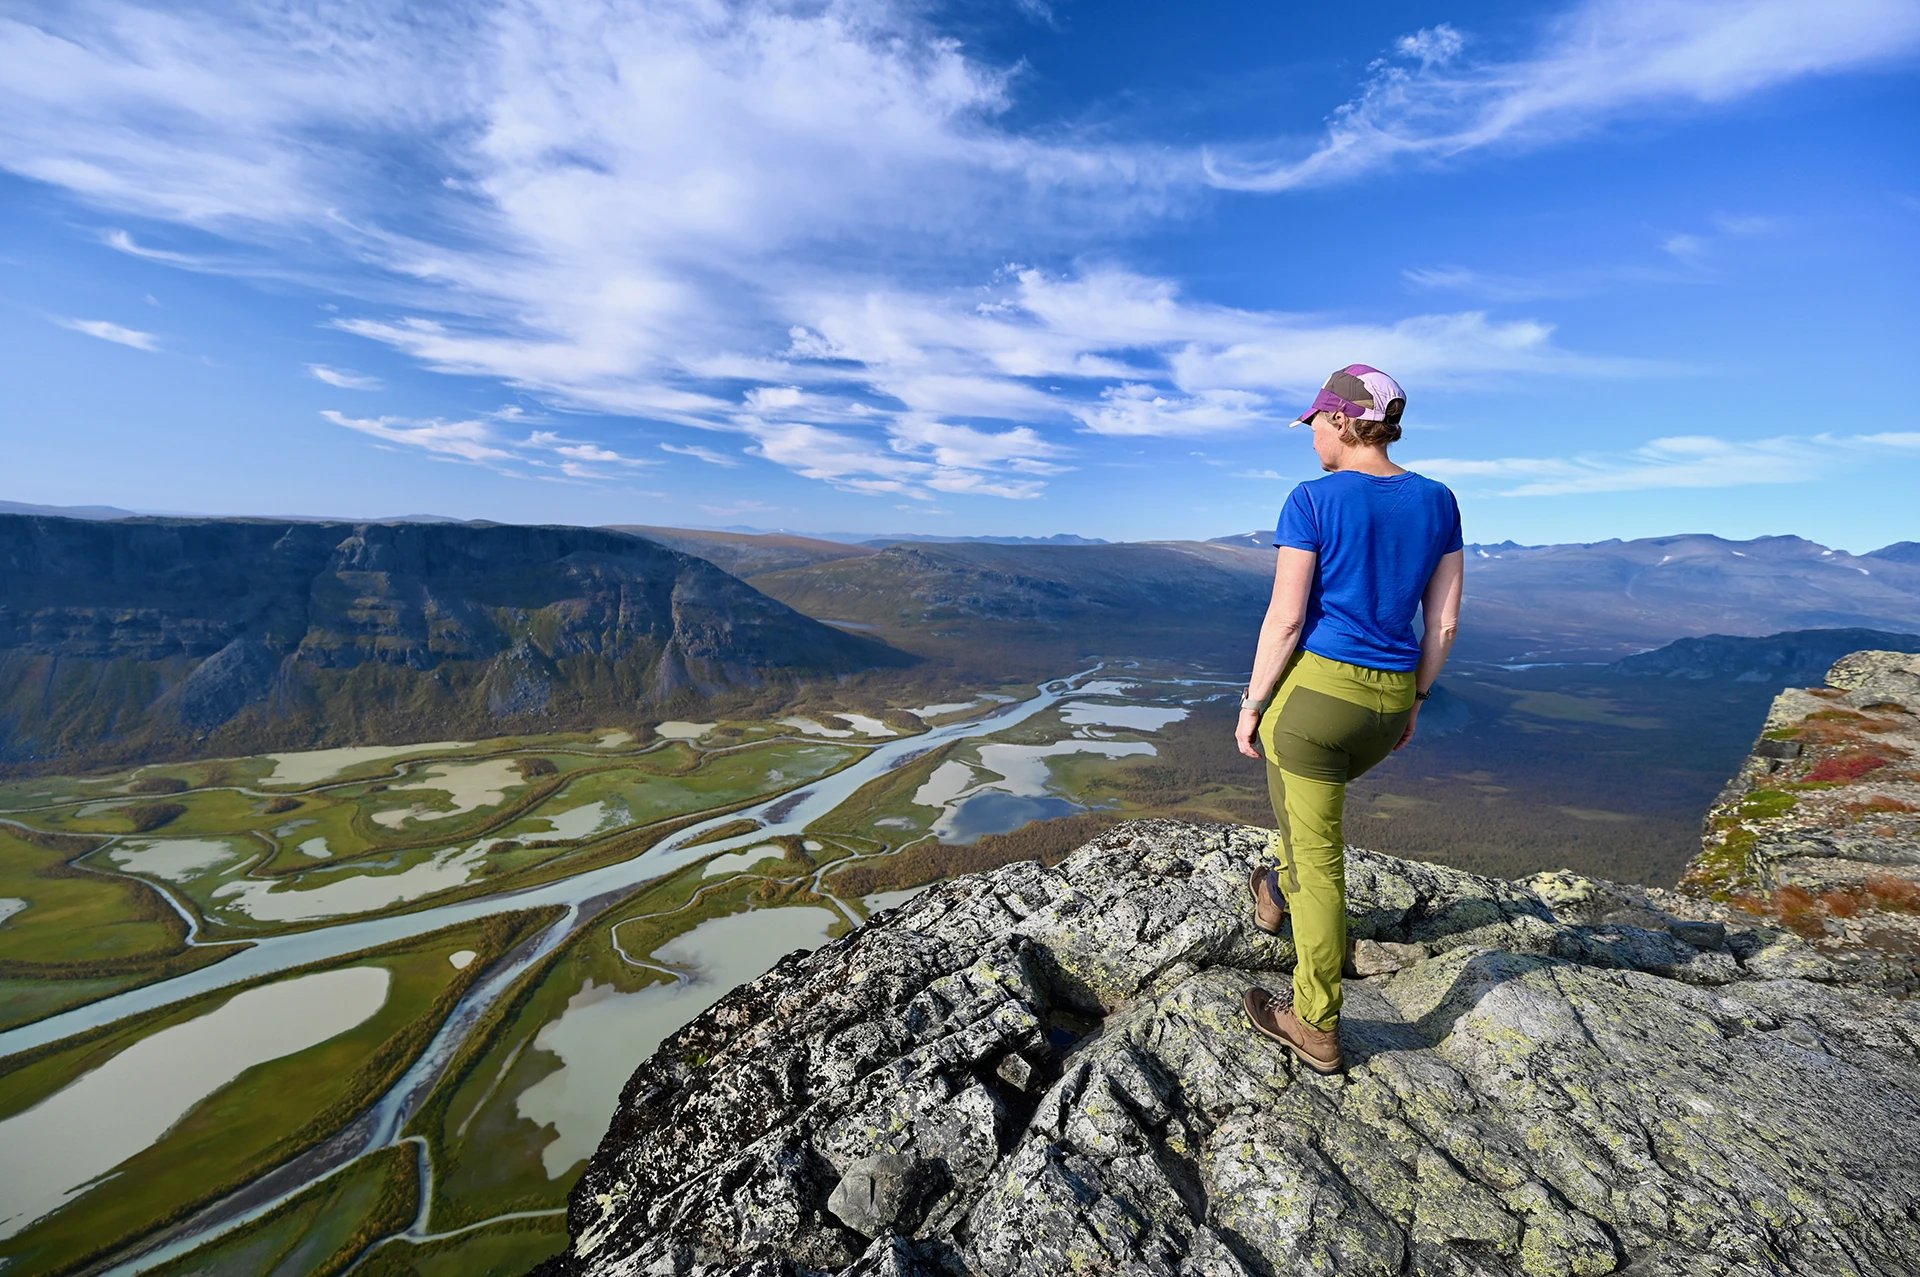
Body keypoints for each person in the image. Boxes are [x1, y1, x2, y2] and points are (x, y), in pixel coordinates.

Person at [1233, 364, 1464, 1075]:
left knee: (1321, 856)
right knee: (1309, 820)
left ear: (1342, 420)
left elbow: (1287, 618)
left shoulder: (1311, 499)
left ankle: (1315, 1022)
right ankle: (1274, 891)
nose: (1310, 441)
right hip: (1391, 699)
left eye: (1314, 426)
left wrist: (1251, 703)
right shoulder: (1438, 500)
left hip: (1316, 704)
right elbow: (1445, 622)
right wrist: (1416, 700)